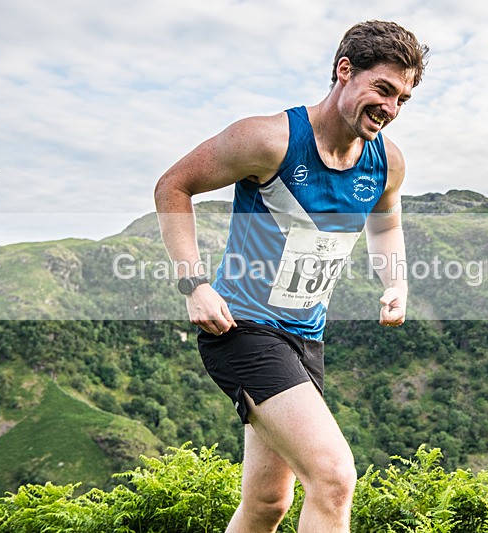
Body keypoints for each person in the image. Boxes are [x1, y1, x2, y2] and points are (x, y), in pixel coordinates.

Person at [154, 20, 428, 533]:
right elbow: (173, 186)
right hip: (243, 331)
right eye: (384, 89)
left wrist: (397, 283)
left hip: (306, 339)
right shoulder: (269, 139)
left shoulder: (386, 162)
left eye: (403, 99)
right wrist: (193, 282)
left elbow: (386, 223)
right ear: (345, 71)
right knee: (333, 477)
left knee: (266, 503)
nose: (391, 109)